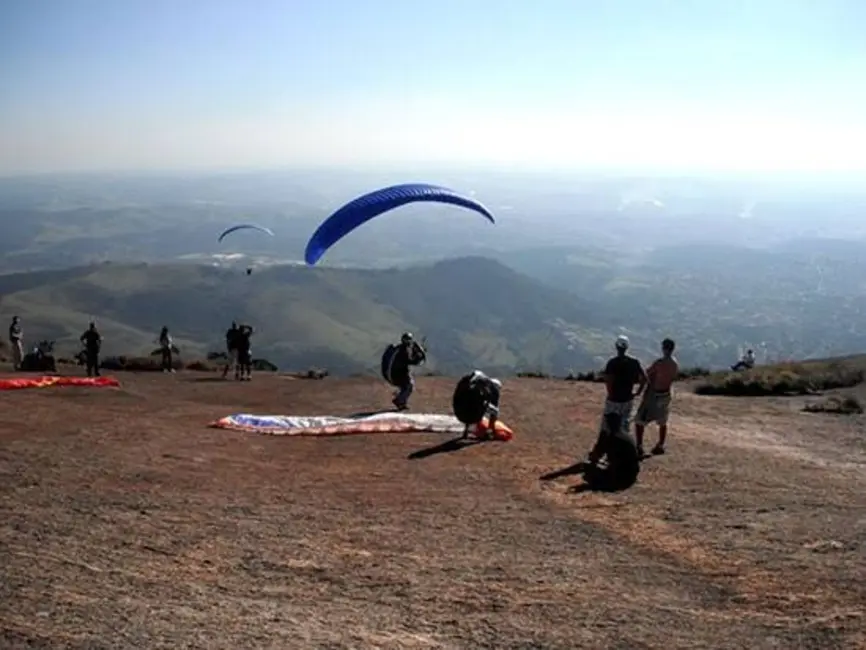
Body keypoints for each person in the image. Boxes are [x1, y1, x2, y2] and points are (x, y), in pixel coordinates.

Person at [587, 335, 646, 465]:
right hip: (628, 400)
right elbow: (644, 379)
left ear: (616, 347)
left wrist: (611, 394)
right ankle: (621, 454)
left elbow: (609, 381)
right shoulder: (634, 362)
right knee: (623, 428)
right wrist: (637, 392)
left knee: (606, 428)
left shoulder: (612, 363)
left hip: (614, 400)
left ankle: (598, 454)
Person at [635, 338, 679, 457]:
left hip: (654, 395)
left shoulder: (659, 363)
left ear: (663, 348)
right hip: (666, 394)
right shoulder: (675, 364)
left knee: (640, 420)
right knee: (662, 420)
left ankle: (639, 446)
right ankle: (660, 444)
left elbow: (647, 373)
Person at [452, 370, 502, 439]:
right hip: (472, 415)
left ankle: (466, 431)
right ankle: (489, 431)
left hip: (459, 413)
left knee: (476, 404)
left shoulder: (477, 388)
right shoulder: (490, 389)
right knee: (494, 410)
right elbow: (494, 411)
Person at [387, 332, 426, 410]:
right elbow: (411, 361)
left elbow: (408, 360)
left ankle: (401, 401)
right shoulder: (403, 351)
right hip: (398, 374)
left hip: (394, 373)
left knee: (406, 385)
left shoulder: (400, 349)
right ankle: (399, 400)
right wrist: (419, 355)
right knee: (409, 385)